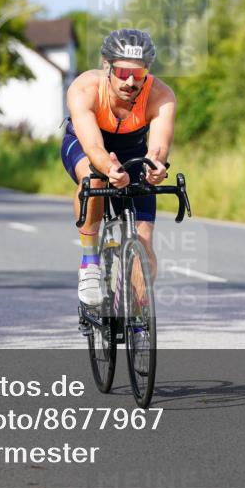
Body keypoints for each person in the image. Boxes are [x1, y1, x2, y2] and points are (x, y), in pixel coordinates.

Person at [62, 29, 176, 307]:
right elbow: (94, 148)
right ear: (107, 66)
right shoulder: (85, 88)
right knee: (94, 178)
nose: (130, 81)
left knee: (143, 237)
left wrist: (156, 167)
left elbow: (158, 147)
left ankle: (136, 312)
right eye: (123, 72)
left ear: (147, 70)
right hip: (85, 144)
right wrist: (108, 169)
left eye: (138, 74)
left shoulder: (161, 95)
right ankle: (90, 262)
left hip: (133, 150)